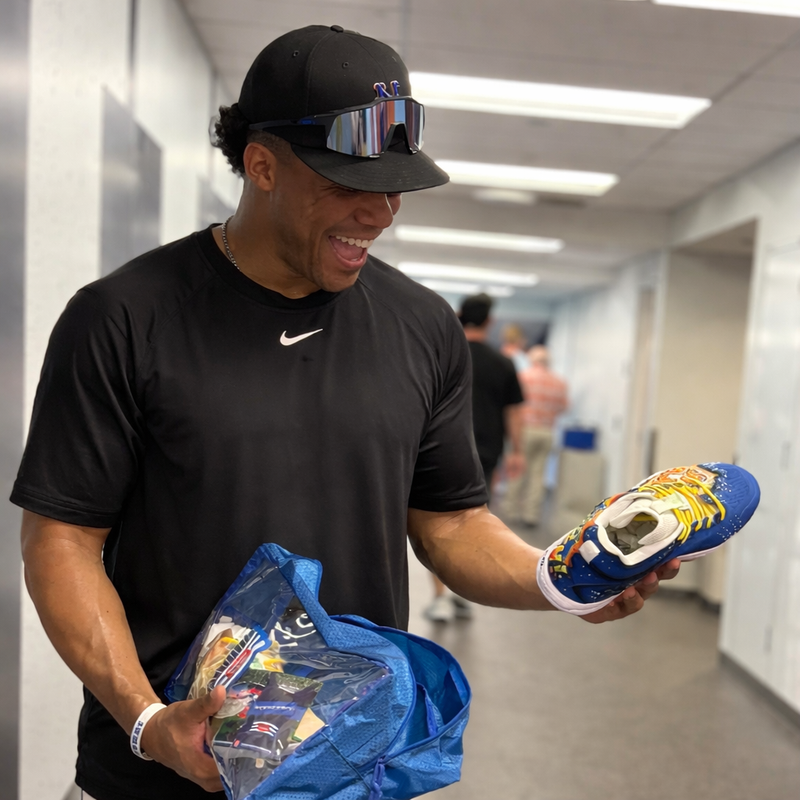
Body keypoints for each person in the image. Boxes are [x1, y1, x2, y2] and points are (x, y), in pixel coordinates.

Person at [13, 25, 679, 800]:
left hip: (345, 772)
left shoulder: (422, 327)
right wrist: (146, 720)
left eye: (394, 185)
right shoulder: (124, 318)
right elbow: (61, 542)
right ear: (261, 164)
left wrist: (561, 577)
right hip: (152, 773)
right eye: (347, 184)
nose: (381, 212)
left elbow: (452, 524)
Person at [424, 294, 525, 623]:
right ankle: (459, 591)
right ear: (489, 322)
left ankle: (442, 597)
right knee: (473, 522)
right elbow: (514, 413)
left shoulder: (442, 353)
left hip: (437, 448)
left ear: (459, 315)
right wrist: (517, 451)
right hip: (486, 452)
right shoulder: (502, 362)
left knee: (437, 522)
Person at [504, 345, 569, 527]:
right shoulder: (559, 382)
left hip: (524, 429)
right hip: (546, 431)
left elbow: (513, 405)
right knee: (537, 474)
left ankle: (511, 510)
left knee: (517, 468)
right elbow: (564, 407)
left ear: (532, 360)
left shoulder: (523, 377)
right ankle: (531, 515)